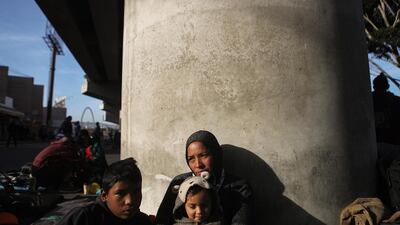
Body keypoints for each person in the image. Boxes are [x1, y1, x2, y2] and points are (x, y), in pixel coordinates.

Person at [155, 130, 253, 225]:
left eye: (203, 155)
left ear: (216, 154)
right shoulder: (179, 183)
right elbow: (161, 221)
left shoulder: (239, 187)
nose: (198, 164)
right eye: (191, 159)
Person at [57, 157, 153, 225]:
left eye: (136, 192)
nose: (130, 201)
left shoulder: (142, 221)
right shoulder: (83, 218)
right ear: (104, 196)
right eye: (120, 193)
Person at [372, 73, 400, 145]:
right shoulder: (396, 101)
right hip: (393, 140)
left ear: (374, 86)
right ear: (387, 86)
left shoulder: (367, 100)